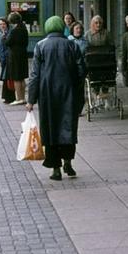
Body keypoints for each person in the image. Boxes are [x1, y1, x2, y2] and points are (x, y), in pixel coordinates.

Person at [27, 16, 86, 181]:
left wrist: (31, 99)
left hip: (47, 94)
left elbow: (35, 75)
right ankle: (68, 162)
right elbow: (81, 70)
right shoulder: (72, 45)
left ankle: (55, 169)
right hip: (68, 92)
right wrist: (76, 87)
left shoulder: (40, 46)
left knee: (50, 130)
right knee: (68, 127)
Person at [5, 12, 29, 105]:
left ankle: (19, 98)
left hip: (15, 56)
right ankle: (23, 98)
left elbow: (8, 42)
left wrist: (4, 38)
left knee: (16, 78)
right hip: (23, 54)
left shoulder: (14, 30)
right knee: (22, 78)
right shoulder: (24, 29)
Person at [0, 17, 12, 103]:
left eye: (4, 24)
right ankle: (6, 96)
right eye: (0, 24)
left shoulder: (9, 33)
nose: (2, 26)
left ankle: (9, 97)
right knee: (4, 77)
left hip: (8, 57)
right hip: (2, 57)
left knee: (6, 77)